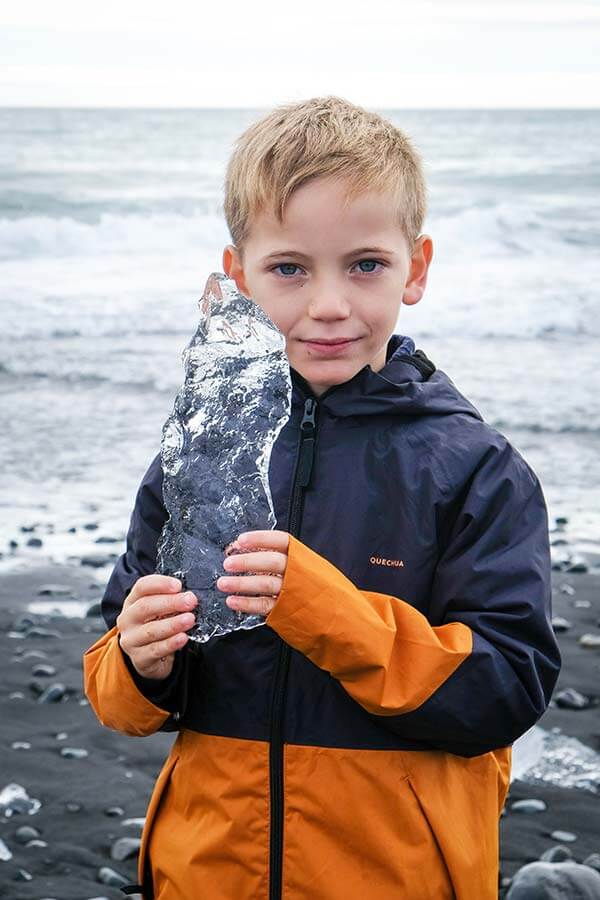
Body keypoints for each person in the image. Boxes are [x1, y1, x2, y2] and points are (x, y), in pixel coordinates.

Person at [83, 95, 561, 900]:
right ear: (239, 276)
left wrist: (322, 607)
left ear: (419, 266)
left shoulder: (473, 468)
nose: (330, 304)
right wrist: (139, 660)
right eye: (290, 269)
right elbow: (122, 694)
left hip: (398, 875)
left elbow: (505, 688)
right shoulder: (197, 455)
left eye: (365, 264)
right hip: (208, 872)